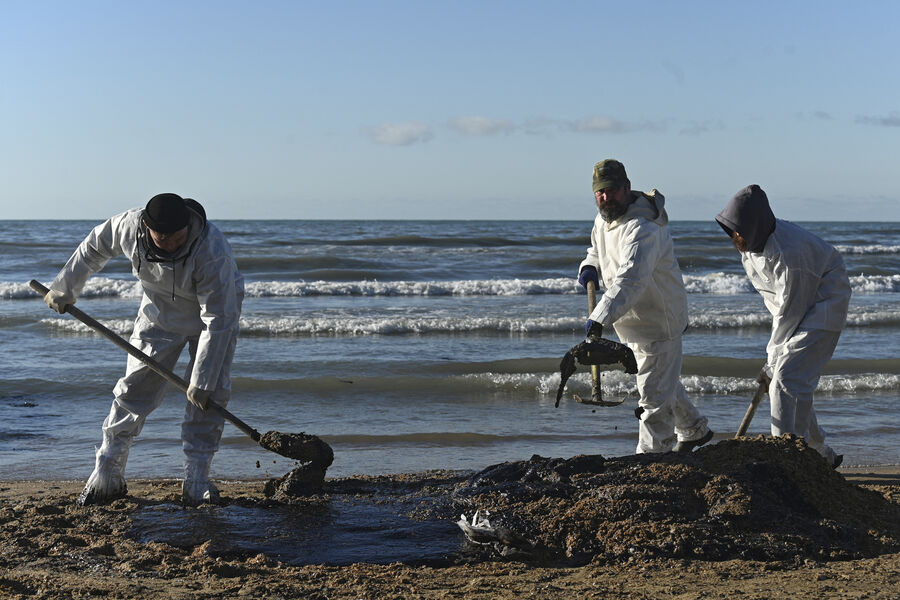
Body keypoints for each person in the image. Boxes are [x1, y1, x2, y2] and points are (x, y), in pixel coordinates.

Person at [42, 193, 244, 505]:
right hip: (159, 313)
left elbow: (218, 320)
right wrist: (65, 288)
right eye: (164, 238)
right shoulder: (128, 226)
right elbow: (94, 247)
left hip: (214, 317)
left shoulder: (212, 250)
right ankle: (108, 469)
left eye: (179, 237)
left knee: (211, 394)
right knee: (135, 387)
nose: (173, 244)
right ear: (147, 228)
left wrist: (202, 381)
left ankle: (197, 477)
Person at [578, 159, 712, 454]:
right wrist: (590, 266)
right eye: (600, 192)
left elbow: (631, 279)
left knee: (652, 396)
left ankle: (653, 458)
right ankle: (693, 429)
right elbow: (596, 251)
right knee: (659, 380)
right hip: (631, 321)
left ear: (626, 188)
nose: (605, 197)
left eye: (611, 191)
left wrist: (599, 317)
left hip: (658, 320)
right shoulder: (603, 220)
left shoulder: (644, 228)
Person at [716, 184, 851, 468]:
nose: (735, 235)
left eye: (739, 229)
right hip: (797, 302)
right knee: (794, 379)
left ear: (754, 225)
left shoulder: (790, 256)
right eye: (732, 229)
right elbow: (779, 303)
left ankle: (789, 460)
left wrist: (772, 360)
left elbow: (791, 311)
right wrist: (775, 357)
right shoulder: (750, 243)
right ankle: (818, 453)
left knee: (786, 379)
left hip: (825, 300)